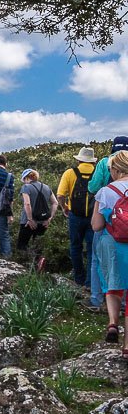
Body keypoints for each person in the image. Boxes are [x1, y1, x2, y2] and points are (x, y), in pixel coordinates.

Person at [90, 150, 128, 357]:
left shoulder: (105, 191)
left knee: (113, 283)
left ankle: (113, 322)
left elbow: (96, 225)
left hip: (111, 242)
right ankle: (127, 346)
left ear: (115, 169)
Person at [57, 147, 98, 287]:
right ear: (92, 161)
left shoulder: (70, 173)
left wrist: (64, 207)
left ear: (79, 159)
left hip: (75, 216)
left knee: (76, 247)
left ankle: (79, 280)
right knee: (92, 249)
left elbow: (60, 195)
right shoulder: (97, 173)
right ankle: (91, 282)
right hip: (94, 216)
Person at [17, 169, 58, 257]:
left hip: (28, 222)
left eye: (24, 180)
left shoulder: (26, 187)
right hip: (43, 222)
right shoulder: (46, 187)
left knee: (22, 247)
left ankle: (24, 268)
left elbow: (27, 204)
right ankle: (39, 268)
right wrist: (49, 218)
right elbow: (55, 203)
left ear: (27, 178)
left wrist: (30, 219)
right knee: (39, 248)